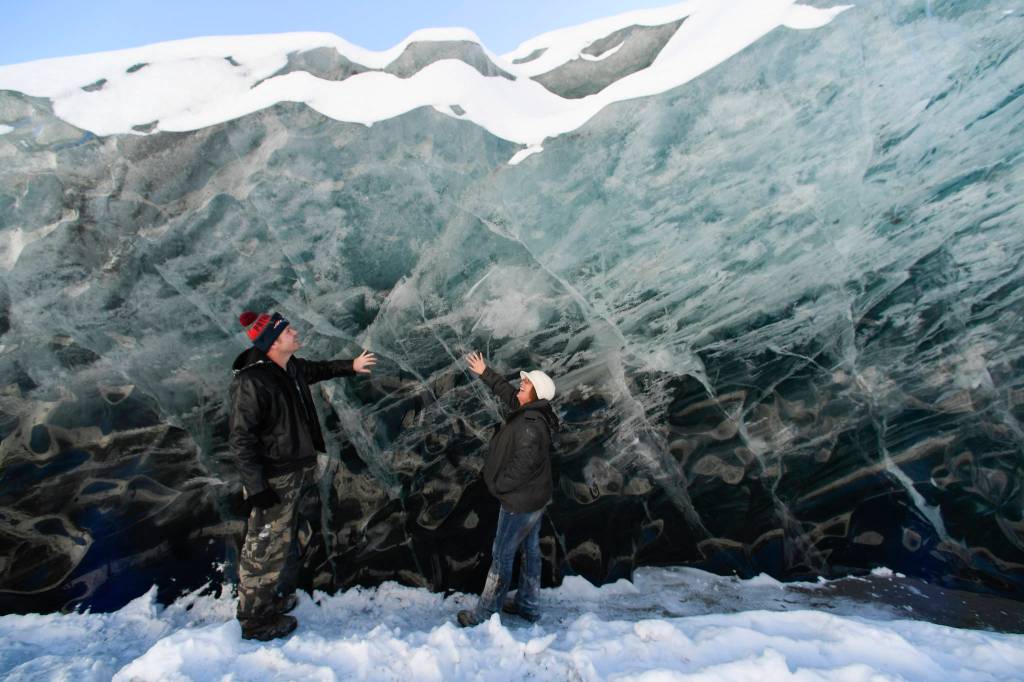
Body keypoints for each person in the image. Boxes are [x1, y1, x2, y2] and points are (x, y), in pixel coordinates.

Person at [228, 309, 375, 641]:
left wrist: (350, 366)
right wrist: (256, 487)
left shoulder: (288, 367)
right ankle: (255, 621)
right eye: (288, 330)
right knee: (262, 548)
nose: (295, 332)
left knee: (281, 543)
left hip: (295, 471)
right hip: (273, 479)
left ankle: (271, 601)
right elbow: (241, 440)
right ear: (274, 342)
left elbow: (315, 369)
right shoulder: (251, 381)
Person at [457, 351, 559, 627]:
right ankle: (528, 604)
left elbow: (521, 467)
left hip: (520, 502)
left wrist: (497, 486)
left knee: (501, 555)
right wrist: (485, 372)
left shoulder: (529, 427)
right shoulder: (535, 411)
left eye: (525, 386)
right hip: (536, 497)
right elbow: (509, 396)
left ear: (535, 394)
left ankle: (485, 614)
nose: (519, 388)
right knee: (531, 550)